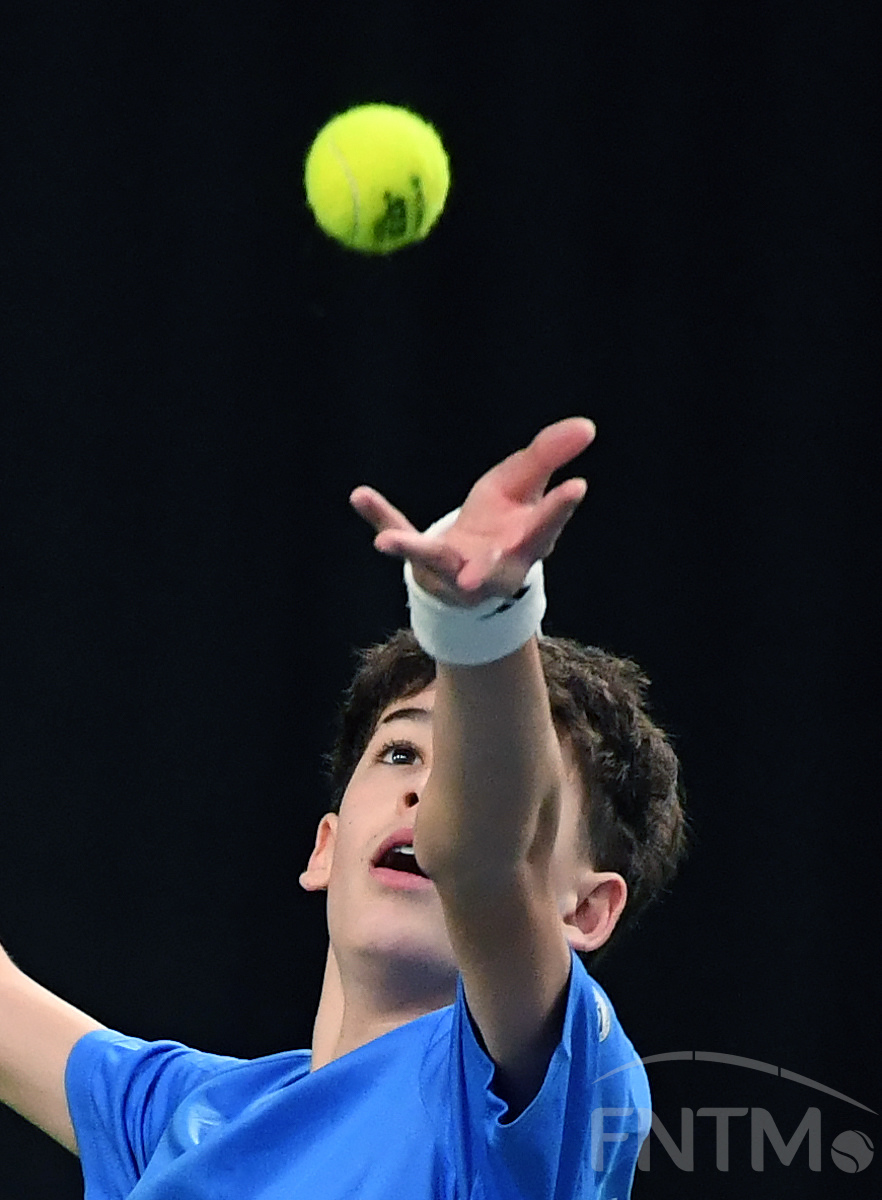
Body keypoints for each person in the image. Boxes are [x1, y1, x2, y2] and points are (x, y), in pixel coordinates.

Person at [0, 417, 688, 1198]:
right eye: (401, 753)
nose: (429, 791)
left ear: (585, 911)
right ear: (325, 846)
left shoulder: (550, 1106)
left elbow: (486, 859)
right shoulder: (188, 1118)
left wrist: (479, 627)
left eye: (466, 769)